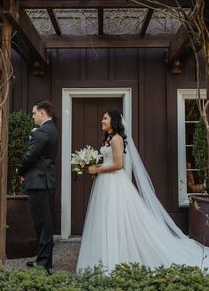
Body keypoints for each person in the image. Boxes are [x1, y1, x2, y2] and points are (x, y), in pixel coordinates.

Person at [76, 110, 209, 273]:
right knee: (105, 216)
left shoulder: (117, 139)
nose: (102, 121)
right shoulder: (109, 139)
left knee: (115, 217)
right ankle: (103, 257)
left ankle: (118, 257)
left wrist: (97, 169)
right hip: (104, 183)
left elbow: (118, 165)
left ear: (114, 121)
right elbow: (109, 161)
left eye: (105, 118)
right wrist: (96, 167)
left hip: (114, 183)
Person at [17, 100, 58, 275]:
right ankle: (44, 261)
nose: (32, 116)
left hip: (40, 183)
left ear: (42, 113)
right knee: (44, 224)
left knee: (43, 224)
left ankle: (44, 265)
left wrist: (20, 169)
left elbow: (30, 155)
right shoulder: (52, 130)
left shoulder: (43, 131)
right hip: (44, 182)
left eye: (34, 113)